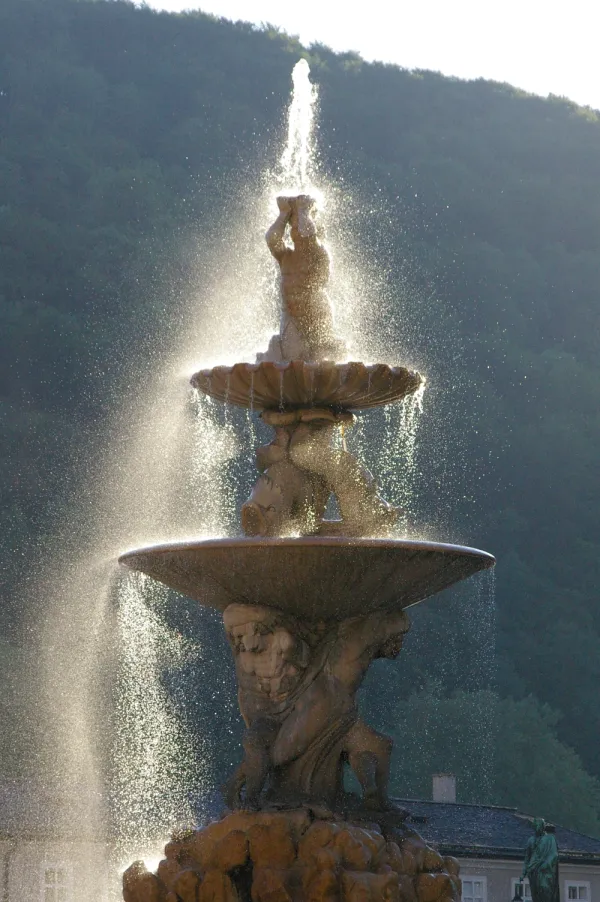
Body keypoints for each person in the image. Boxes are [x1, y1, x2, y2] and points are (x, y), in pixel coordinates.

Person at [521, 818, 560, 902]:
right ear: (534, 827)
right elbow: (527, 858)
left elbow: (554, 855)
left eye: (540, 825)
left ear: (543, 827)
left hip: (545, 872)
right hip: (533, 872)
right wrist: (523, 873)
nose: (538, 828)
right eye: (537, 826)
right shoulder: (530, 840)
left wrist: (545, 864)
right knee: (536, 895)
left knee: (545, 890)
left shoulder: (550, 839)